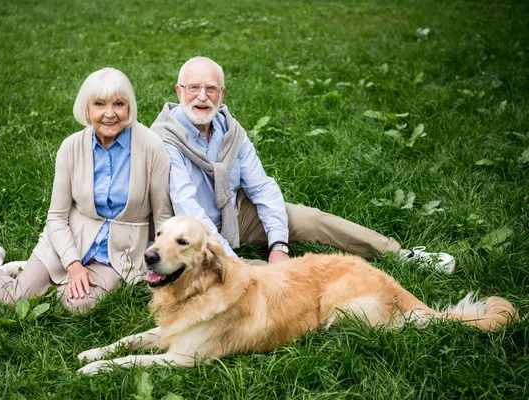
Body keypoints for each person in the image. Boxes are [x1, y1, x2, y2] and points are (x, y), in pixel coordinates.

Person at [150, 56, 455, 272]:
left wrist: (279, 245)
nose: (202, 97)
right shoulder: (165, 139)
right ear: (179, 91)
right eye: (193, 88)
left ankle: (401, 255)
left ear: (222, 94)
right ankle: (296, 276)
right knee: (248, 275)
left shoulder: (232, 132)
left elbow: (262, 187)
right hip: (187, 234)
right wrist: (228, 257)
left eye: (211, 89)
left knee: (313, 218)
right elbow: (187, 204)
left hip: (234, 211)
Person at [0, 68, 172, 313]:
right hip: (71, 240)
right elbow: (56, 216)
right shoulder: (71, 147)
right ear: (87, 109)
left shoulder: (152, 146)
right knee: (12, 299)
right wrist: (74, 265)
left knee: (76, 304)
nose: (110, 114)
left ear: (129, 107)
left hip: (118, 253)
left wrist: (168, 261)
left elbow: (163, 216)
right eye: (99, 104)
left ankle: (37, 275)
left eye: (119, 104)